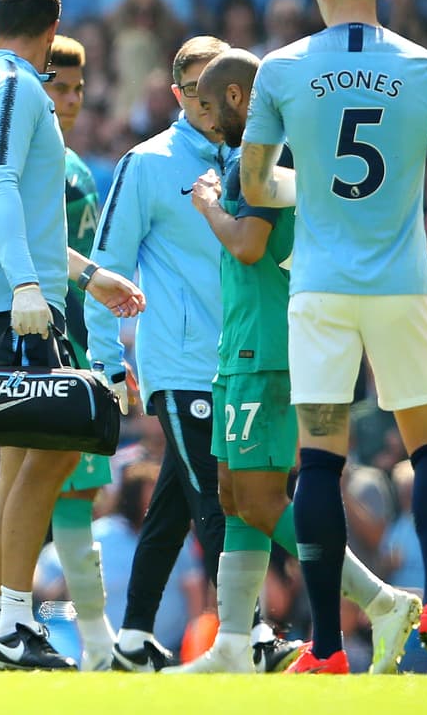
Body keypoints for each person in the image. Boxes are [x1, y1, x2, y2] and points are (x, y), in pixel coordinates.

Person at [239, 0, 427, 674]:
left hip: (319, 290)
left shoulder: (280, 70)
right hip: (405, 286)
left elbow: (254, 184)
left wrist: (306, 184)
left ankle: (324, 648)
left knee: (319, 465)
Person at [167, 48, 421, 675]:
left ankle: (380, 600)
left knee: (256, 497)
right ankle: (233, 643)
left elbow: (250, 246)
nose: (204, 116)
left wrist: (207, 205)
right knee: (234, 493)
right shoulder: (290, 157)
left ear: (235, 98)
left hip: (267, 350)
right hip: (248, 345)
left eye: (208, 102)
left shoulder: (256, 164)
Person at [0, 0, 143, 671]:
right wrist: (30, 285)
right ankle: (8, 622)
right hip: (13, 299)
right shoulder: (14, 85)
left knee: (32, 458)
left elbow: (21, 209)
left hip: (12, 291)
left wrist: (88, 274)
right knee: (50, 449)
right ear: (52, 34)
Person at [86, 35, 287, 673]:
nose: (218, 101)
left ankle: (134, 638)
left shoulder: (260, 161)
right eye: (202, 90)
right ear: (179, 95)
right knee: (217, 498)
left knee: (176, 497)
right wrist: (107, 365)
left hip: (243, 363)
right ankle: (250, 634)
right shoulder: (147, 164)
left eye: (228, 88)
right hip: (181, 365)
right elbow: (105, 267)